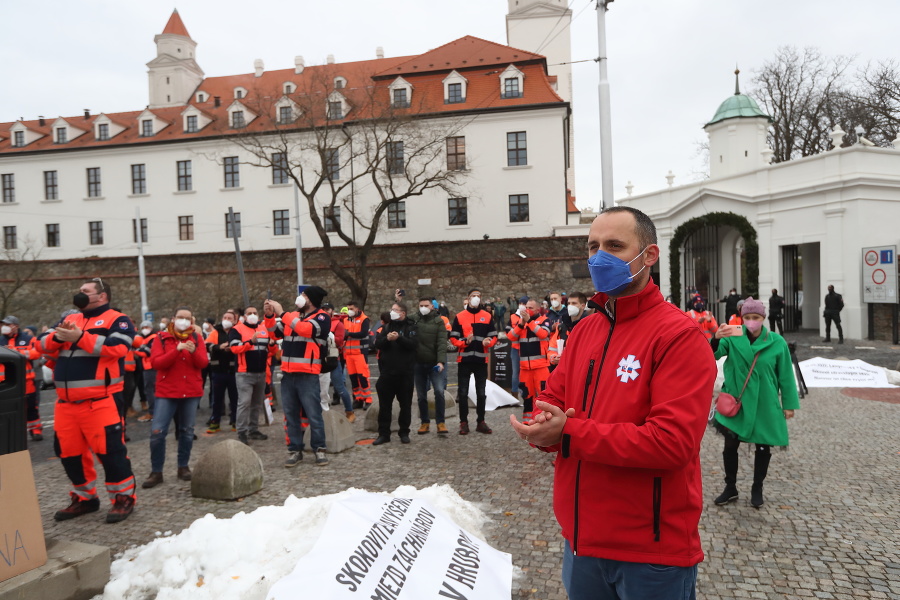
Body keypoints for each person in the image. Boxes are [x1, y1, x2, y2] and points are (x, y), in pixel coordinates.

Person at [509, 207, 717, 599]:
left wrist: (568, 433)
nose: (598, 256)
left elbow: (671, 443)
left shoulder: (679, 336)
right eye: (593, 246)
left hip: (651, 553)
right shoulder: (587, 327)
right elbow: (553, 397)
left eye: (614, 246)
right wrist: (543, 429)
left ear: (649, 255)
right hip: (581, 542)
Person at [40, 278, 137, 523]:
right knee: (68, 453)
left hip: (101, 402)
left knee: (111, 452)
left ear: (101, 296)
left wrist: (80, 336)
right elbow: (41, 344)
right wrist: (61, 338)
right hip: (66, 404)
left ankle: (123, 498)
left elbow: (118, 347)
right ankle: (85, 498)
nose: (80, 294)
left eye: (86, 291)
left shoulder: (119, 319)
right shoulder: (70, 318)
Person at [711, 297, 799, 508]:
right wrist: (715, 338)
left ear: (763, 318)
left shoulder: (776, 342)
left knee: (763, 446)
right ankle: (730, 487)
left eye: (756, 317)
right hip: (737, 402)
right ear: (742, 317)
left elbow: (786, 374)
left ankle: (757, 487)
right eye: (748, 317)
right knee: (730, 445)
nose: (752, 321)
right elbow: (712, 354)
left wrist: (788, 404)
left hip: (764, 403)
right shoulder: (732, 336)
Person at [264, 285, 331, 467]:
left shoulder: (322, 317)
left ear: (311, 299)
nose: (299, 297)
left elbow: (304, 330)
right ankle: (295, 450)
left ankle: (319, 449)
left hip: (308, 375)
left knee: (313, 414)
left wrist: (282, 312)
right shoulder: (292, 317)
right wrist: (270, 315)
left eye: (303, 295)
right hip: (288, 375)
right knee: (290, 415)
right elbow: (272, 333)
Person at [142, 307, 209, 488]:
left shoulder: (197, 338)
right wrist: (177, 350)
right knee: (157, 432)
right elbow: (156, 363)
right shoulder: (161, 338)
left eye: (188, 318)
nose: (184, 321)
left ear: (192, 322)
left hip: (190, 391)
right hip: (167, 392)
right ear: (173, 319)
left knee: (187, 431)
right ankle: (156, 471)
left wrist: (194, 351)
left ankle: (183, 467)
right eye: (181, 317)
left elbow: (203, 363)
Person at [451, 288, 498, 434]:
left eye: (478, 296)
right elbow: (453, 338)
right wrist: (465, 342)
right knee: (463, 393)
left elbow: (494, 336)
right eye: (473, 296)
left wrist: (488, 343)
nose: (476, 298)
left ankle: (481, 421)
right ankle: (463, 422)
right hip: (464, 360)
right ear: (468, 298)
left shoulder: (487, 316)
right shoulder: (459, 316)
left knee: (481, 393)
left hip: (480, 361)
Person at [372, 302, 418, 445]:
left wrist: (399, 338)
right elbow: (377, 343)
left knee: (405, 405)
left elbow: (413, 345)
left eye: (395, 310)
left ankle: (404, 432)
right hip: (387, 373)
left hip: (405, 373)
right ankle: (384, 434)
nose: (392, 312)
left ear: (403, 313)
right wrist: (387, 339)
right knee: (384, 405)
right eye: (391, 309)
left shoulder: (412, 326)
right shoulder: (386, 327)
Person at [229, 306, 273, 445]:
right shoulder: (237, 329)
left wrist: (272, 346)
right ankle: (241, 431)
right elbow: (235, 348)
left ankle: (253, 429)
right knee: (244, 403)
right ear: (244, 316)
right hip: (244, 373)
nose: (253, 315)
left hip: (261, 373)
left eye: (255, 313)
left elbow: (269, 351)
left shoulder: (264, 329)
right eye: (249, 313)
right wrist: (250, 343)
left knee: (256, 404)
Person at [506, 299, 550, 424]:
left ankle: (544, 420)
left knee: (543, 394)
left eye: (530, 308)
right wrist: (521, 324)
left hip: (541, 366)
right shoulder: (522, 322)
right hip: (525, 367)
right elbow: (511, 336)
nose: (527, 310)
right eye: (526, 307)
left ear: (537, 310)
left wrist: (529, 322)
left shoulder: (544, 320)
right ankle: (528, 421)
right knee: (526, 394)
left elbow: (542, 334)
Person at [1, 315, 43, 441]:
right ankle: (9, 433)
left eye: (8, 325)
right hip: (4, 383)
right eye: (3, 325)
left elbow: (37, 353)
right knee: (7, 409)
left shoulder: (29, 339)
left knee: (30, 406)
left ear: (16, 326)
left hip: (26, 380)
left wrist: (16, 353)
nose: (4, 327)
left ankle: (35, 430)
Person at [412, 297, 448, 435]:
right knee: (421, 395)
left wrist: (440, 362)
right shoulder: (415, 318)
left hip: (434, 364)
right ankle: (424, 422)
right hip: (419, 363)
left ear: (432, 306)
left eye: (426, 305)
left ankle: (440, 422)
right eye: (421, 305)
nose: (423, 308)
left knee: (439, 391)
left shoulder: (439, 321)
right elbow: (400, 317)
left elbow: (442, 343)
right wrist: (398, 300)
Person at [318, 302, 355, 422]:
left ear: (332, 311)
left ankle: (350, 412)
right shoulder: (318, 322)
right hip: (319, 360)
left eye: (327, 309)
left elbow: (340, 341)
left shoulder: (337, 324)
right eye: (323, 309)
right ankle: (322, 412)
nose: (325, 311)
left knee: (340, 387)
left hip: (332, 360)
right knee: (319, 389)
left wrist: (329, 336)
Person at [205, 310, 239, 433]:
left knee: (235, 398)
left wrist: (232, 348)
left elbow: (242, 345)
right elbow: (206, 345)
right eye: (225, 317)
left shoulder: (237, 331)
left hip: (233, 370)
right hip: (218, 370)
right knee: (217, 399)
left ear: (235, 320)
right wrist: (218, 347)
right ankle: (215, 422)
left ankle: (235, 421)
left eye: (229, 318)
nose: (226, 319)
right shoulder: (216, 332)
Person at [344, 301, 373, 409]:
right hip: (349, 353)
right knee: (353, 378)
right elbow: (344, 334)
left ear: (357, 308)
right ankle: (358, 399)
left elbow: (364, 333)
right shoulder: (346, 320)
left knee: (363, 377)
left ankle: (368, 399)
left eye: (351, 308)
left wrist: (349, 334)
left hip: (360, 353)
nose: (349, 311)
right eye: (348, 309)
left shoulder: (364, 319)